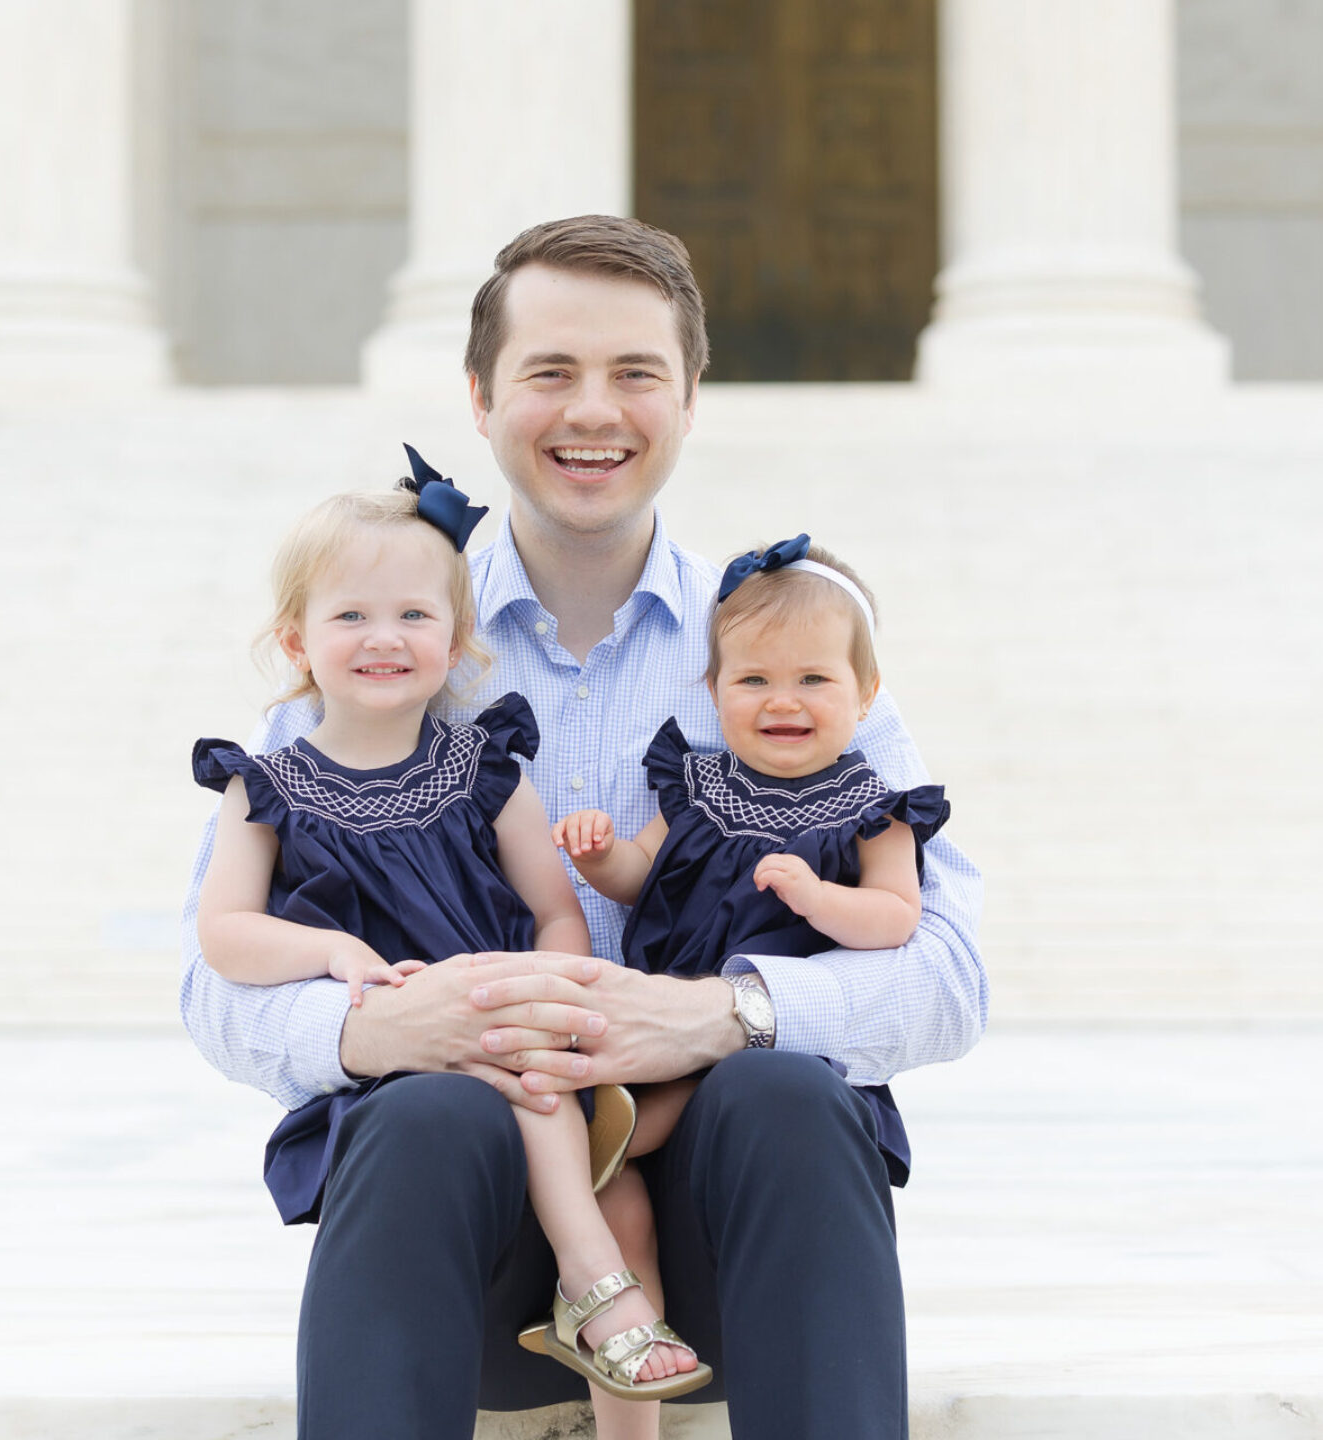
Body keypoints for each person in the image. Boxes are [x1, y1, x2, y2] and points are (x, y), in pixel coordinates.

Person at [179, 214, 987, 1440]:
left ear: (691, 395)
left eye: (635, 374)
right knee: (420, 1105)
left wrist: (727, 1010)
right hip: (473, 1234)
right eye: (551, 373)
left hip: (731, 1250)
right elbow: (214, 985)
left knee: (787, 1094)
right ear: (481, 395)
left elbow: (952, 975)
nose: (592, 412)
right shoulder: (378, 647)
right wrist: (377, 1020)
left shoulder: (792, 660)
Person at [189, 466, 710, 1437]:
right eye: (351, 616)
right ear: (296, 640)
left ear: (459, 642)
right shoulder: (265, 786)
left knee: (605, 1164)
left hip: (518, 1027)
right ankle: (591, 1280)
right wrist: (337, 956)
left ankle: (618, 1374)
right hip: (410, 1077)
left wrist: (542, 986)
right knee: (518, 1100)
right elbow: (225, 934)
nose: (385, 638)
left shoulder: (485, 770)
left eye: (414, 615)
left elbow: (556, 912)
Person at [552, 536, 952, 1181]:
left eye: (814, 679)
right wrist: (601, 857)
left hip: (781, 1036)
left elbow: (897, 915)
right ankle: (591, 1176)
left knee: (695, 1093)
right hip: (664, 1005)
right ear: (715, 690)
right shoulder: (703, 785)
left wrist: (819, 898)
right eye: (754, 679)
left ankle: (591, 1157)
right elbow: (641, 876)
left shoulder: (871, 809)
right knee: (621, 1074)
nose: (783, 700)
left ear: (866, 693)